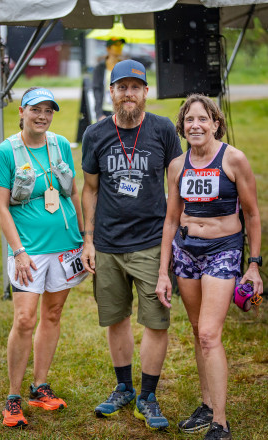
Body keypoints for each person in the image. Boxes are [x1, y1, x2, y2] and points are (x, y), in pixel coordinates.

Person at [81, 59, 182, 431]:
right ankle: (124, 387)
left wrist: (174, 239)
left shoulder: (163, 130)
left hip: (151, 242)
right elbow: (90, 190)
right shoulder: (95, 134)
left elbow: (176, 188)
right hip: (107, 243)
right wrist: (88, 240)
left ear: (145, 92)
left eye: (134, 87)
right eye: (121, 87)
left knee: (156, 321)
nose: (128, 94)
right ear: (110, 92)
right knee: (117, 317)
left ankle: (148, 395)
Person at [155, 94, 263, 440]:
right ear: (182, 126)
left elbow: (252, 215)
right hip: (186, 251)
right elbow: (171, 219)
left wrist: (254, 265)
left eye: (203, 119)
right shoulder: (177, 165)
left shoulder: (233, 159)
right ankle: (205, 405)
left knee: (208, 334)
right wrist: (162, 271)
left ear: (215, 123)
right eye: (189, 120)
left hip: (223, 251)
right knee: (196, 328)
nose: (196, 125)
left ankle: (220, 421)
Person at [0, 87, 87, 428]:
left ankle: (39, 387)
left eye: (48, 110)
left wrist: (85, 239)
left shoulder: (60, 144)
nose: (42, 115)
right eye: (36, 109)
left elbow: (72, 191)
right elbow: (0, 205)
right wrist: (18, 252)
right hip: (29, 251)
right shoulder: (7, 152)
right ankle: (13, 397)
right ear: (21, 111)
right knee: (25, 319)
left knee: (54, 313)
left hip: (66, 246)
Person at [92, 37, 125, 121]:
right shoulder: (100, 68)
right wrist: (99, 114)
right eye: (116, 45)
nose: (119, 48)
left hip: (121, 110)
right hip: (105, 110)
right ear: (108, 49)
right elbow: (97, 90)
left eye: (120, 45)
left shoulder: (124, 66)